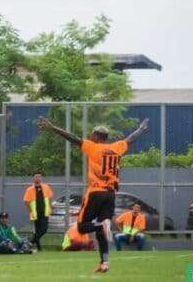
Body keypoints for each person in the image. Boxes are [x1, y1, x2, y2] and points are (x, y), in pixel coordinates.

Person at [37, 117, 149, 274]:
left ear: (97, 136)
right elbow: (131, 139)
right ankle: (104, 263)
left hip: (95, 192)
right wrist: (141, 129)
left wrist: (53, 127)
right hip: (110, 195)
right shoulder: (117, 147)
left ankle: (101, 226)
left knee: (83, 227)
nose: (90, 136)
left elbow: (72, 138)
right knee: (102, 232)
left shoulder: (93, 147)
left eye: (92, 134)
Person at [23, 172, 53, 251]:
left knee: (44, 229)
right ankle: (39, 248)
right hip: (35, 213)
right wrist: (30, 212)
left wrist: (50, 207)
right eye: (36, 177)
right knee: (37, 230)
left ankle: (31, 242)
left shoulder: (46, 187)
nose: (38, 178)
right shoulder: (30, 189)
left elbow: (50, 197)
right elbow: (26, 201)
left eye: (39, 177)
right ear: (33, 178)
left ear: (41, 178)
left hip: (45, 212)